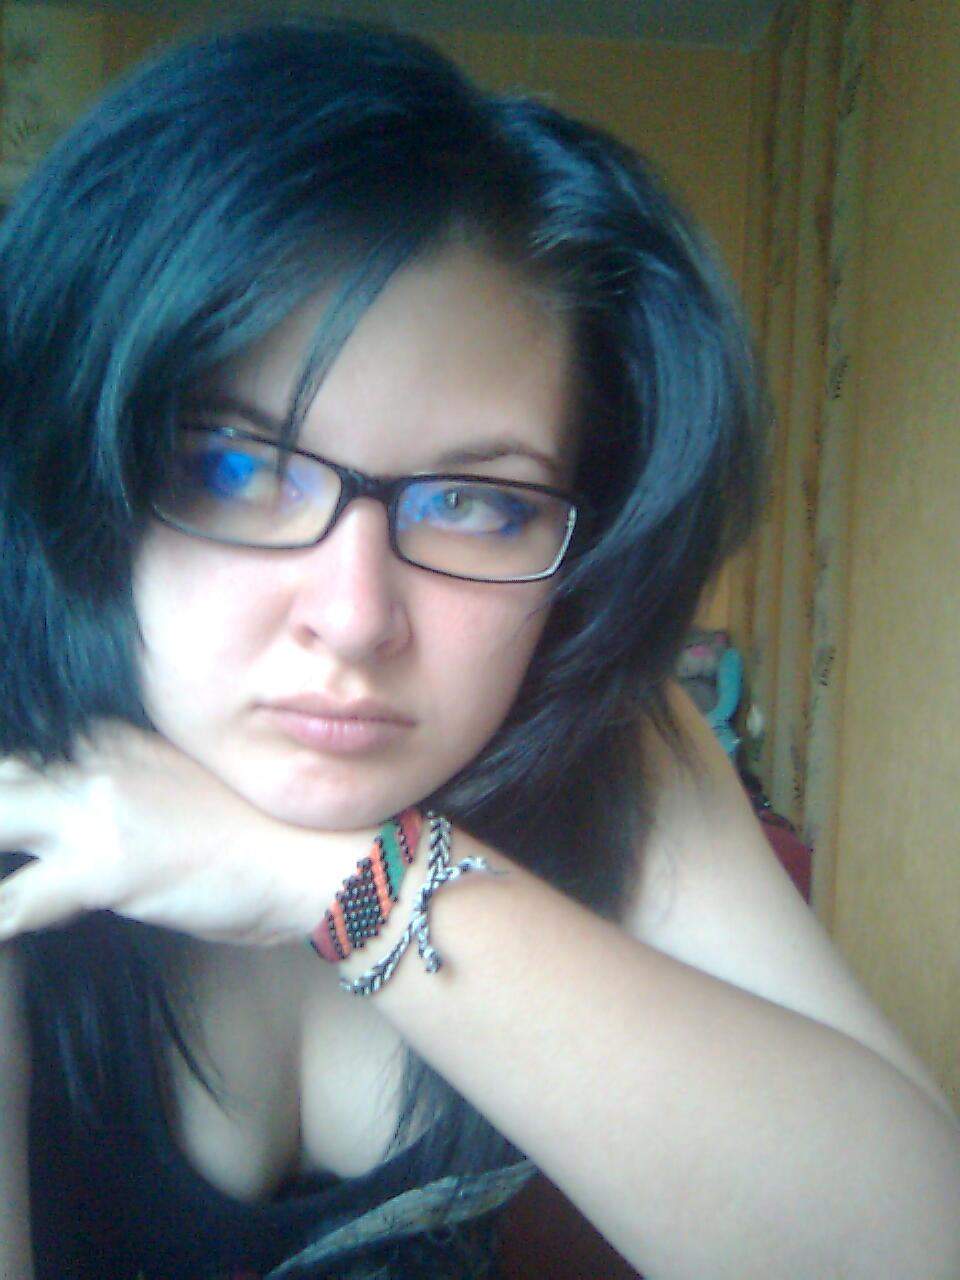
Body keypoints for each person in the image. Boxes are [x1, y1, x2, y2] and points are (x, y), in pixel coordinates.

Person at [0, 19, 957, 1280]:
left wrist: (331, 879)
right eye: (232, 467)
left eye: (475, 500)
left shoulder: (613, 737)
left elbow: (915, 1243)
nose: (354, 616)